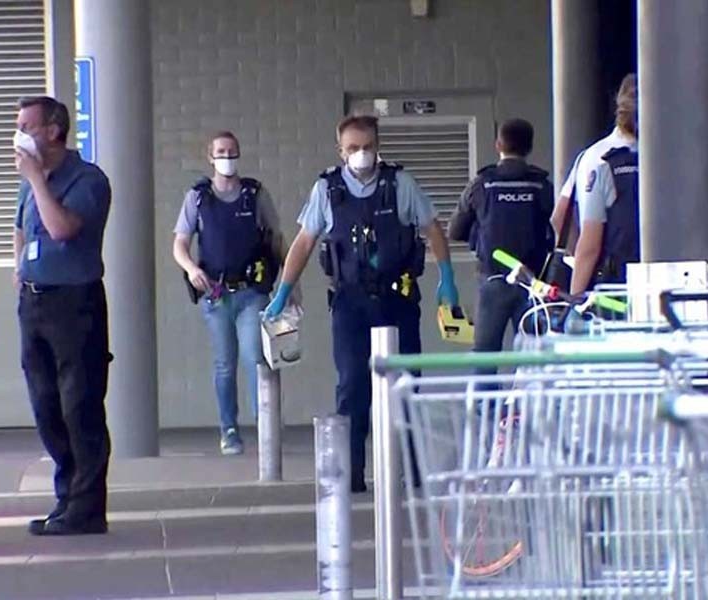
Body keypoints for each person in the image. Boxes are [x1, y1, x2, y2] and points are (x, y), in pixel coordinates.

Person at [264, 115, 459, 493]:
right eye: (353, 148)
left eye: (367, 146)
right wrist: (283, 292)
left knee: (407, 384)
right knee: (352, 385)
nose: (361, 154)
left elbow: (432, 227)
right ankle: (352, 473)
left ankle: (415, 472)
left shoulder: (400, 184)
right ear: (341, 151)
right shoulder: (327, 189)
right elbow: (305, 241)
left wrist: (447, 279)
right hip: (350, 302)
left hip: (397, 298)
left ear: (377, 144)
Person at [13, 96, 112, 536]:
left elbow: (61, 228)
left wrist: (37, 179)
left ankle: (87, 508)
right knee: (46, 406)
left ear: (53, 131)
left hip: (75, 304)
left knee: (79, 406)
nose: (19, 134)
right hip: (34, 301)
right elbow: (22, 228)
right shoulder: (27, 184)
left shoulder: (87, 180)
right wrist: (20, 271)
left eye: (26, 125)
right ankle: (66, 497)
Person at [172, 131, 284, 455]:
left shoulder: (255, 194)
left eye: (232, 151)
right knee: (225, 363)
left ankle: (265, 423)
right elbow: (179, 243)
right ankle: (229, 428)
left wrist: (292, 285)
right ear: (210, 156)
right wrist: (192, 268)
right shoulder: (197, 197)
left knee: (255, 357)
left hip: (252, 291)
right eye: (220, 151)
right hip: (216, 293)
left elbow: (277, 237)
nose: (226, 156)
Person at [448, 118, 554, 363]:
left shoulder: (483, 183)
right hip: (532, 281)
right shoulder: (541, 185)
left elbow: (454, 230)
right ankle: (528, 402)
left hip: (492, 278)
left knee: (485, 356)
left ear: (498, 145)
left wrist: (479, 237)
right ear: (529, 147)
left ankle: (483, 403)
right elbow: (558, 227)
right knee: (533, 357)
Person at [552, 73, 639, 295]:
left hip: (614, 286)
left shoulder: (596, 159)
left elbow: (584, 239)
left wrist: (574, 300)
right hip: (664, 282)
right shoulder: (668, 156)